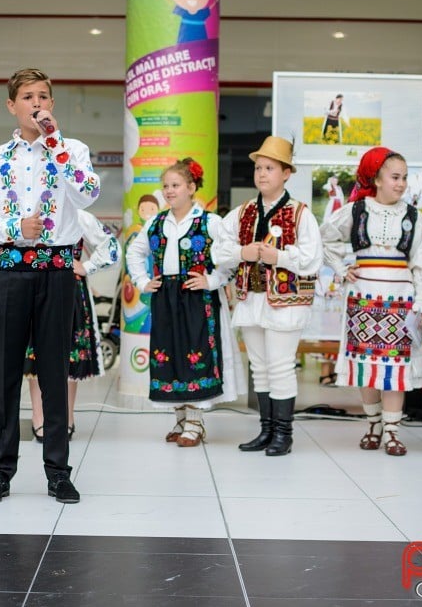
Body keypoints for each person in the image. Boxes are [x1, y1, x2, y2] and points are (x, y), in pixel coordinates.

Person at [0, 68, 100, 505]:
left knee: (54, 375)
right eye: (28, 97)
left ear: (52, 104)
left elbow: (89, 195)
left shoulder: (72, 149)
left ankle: (58, 471)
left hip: (58, 272)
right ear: (12, 105)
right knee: (3, 372)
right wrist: (13, 226)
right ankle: (0, 471)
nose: (37, 103)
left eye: (43, 96)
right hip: (8, 270)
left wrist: (56, 143)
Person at [321, 147, 422, 456]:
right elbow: (326, 237)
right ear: (377, 178)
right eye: (395, 177)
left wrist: (421, 301)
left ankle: (392, 431)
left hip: (401, 297)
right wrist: (342, 269)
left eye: (404, 178)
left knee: (395, 367)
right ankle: (373, 424)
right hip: (363, 296)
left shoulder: (414, 218)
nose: (401, 184)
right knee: (367, 365)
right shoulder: (357, 210)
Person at [215, 136, 322, 456]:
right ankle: (265, 430)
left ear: (287, 173)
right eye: (259, 168)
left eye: (270, 168)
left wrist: (281, 258)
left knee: (279, 365)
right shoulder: (242, 212)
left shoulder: (301, 213)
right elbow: (218, 250)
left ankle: (283, 434)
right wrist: (241, 252)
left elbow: (312, 257)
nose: (262, 174)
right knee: (259, 367)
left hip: (286, 302)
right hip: (252, 298)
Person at [128, 158, 245, 448]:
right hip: (165, 297)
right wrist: (143, 282)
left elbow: (231, 257)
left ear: (191, 188)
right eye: (166, 186)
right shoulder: (156, 222)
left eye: (176, 185)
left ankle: (195, 422)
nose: (169, 191)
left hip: (197, 299)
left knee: (196, 355)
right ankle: (180, 418)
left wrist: (213, 280)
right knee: (169, 354)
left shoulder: (210, 222)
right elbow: (134, 252)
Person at [27, 209, 121, 442]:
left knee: (68, 354)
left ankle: (66, 418)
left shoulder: (78, 215)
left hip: (68, 287)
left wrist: (87, 266)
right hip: (31, 285)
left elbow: (111, 245)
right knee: (35, 355)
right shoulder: (27, 208)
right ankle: (38, 417)